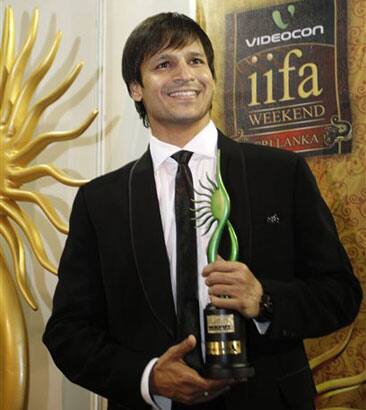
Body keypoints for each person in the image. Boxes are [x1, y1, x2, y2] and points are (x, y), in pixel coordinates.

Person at [43, 12, 362, 410]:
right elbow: (68, 332)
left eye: (196, 61)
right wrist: (148, 376)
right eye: (164, 64)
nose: (185, 74)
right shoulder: (99, 201)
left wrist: (265, 299)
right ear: (136, 88)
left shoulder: (281, 173)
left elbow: (341, 294)